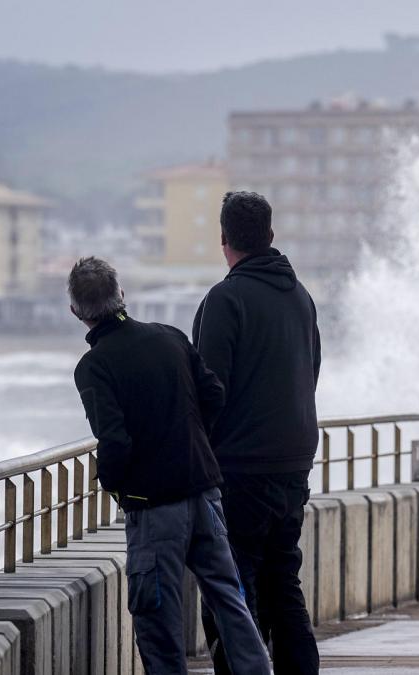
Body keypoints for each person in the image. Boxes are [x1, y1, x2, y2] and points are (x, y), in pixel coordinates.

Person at [69, 256, 271, 675]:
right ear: (122, 295)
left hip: (154, 507)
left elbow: (115, 441)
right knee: (229, 600)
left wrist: (115, 485)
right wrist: (195, 443)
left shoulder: (94, 366)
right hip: (204, 492)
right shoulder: (169, 337)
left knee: (156, 615)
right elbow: (213, 395)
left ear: (76, 312)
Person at [194, 191, 321, 675]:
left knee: (232, 590)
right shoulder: (300, 297)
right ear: (270, 236)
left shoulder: (226, 299)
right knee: (284, 587)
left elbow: (209, 391)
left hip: (240, 472)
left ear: (224, 239)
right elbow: (312, 371)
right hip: (293, 466)